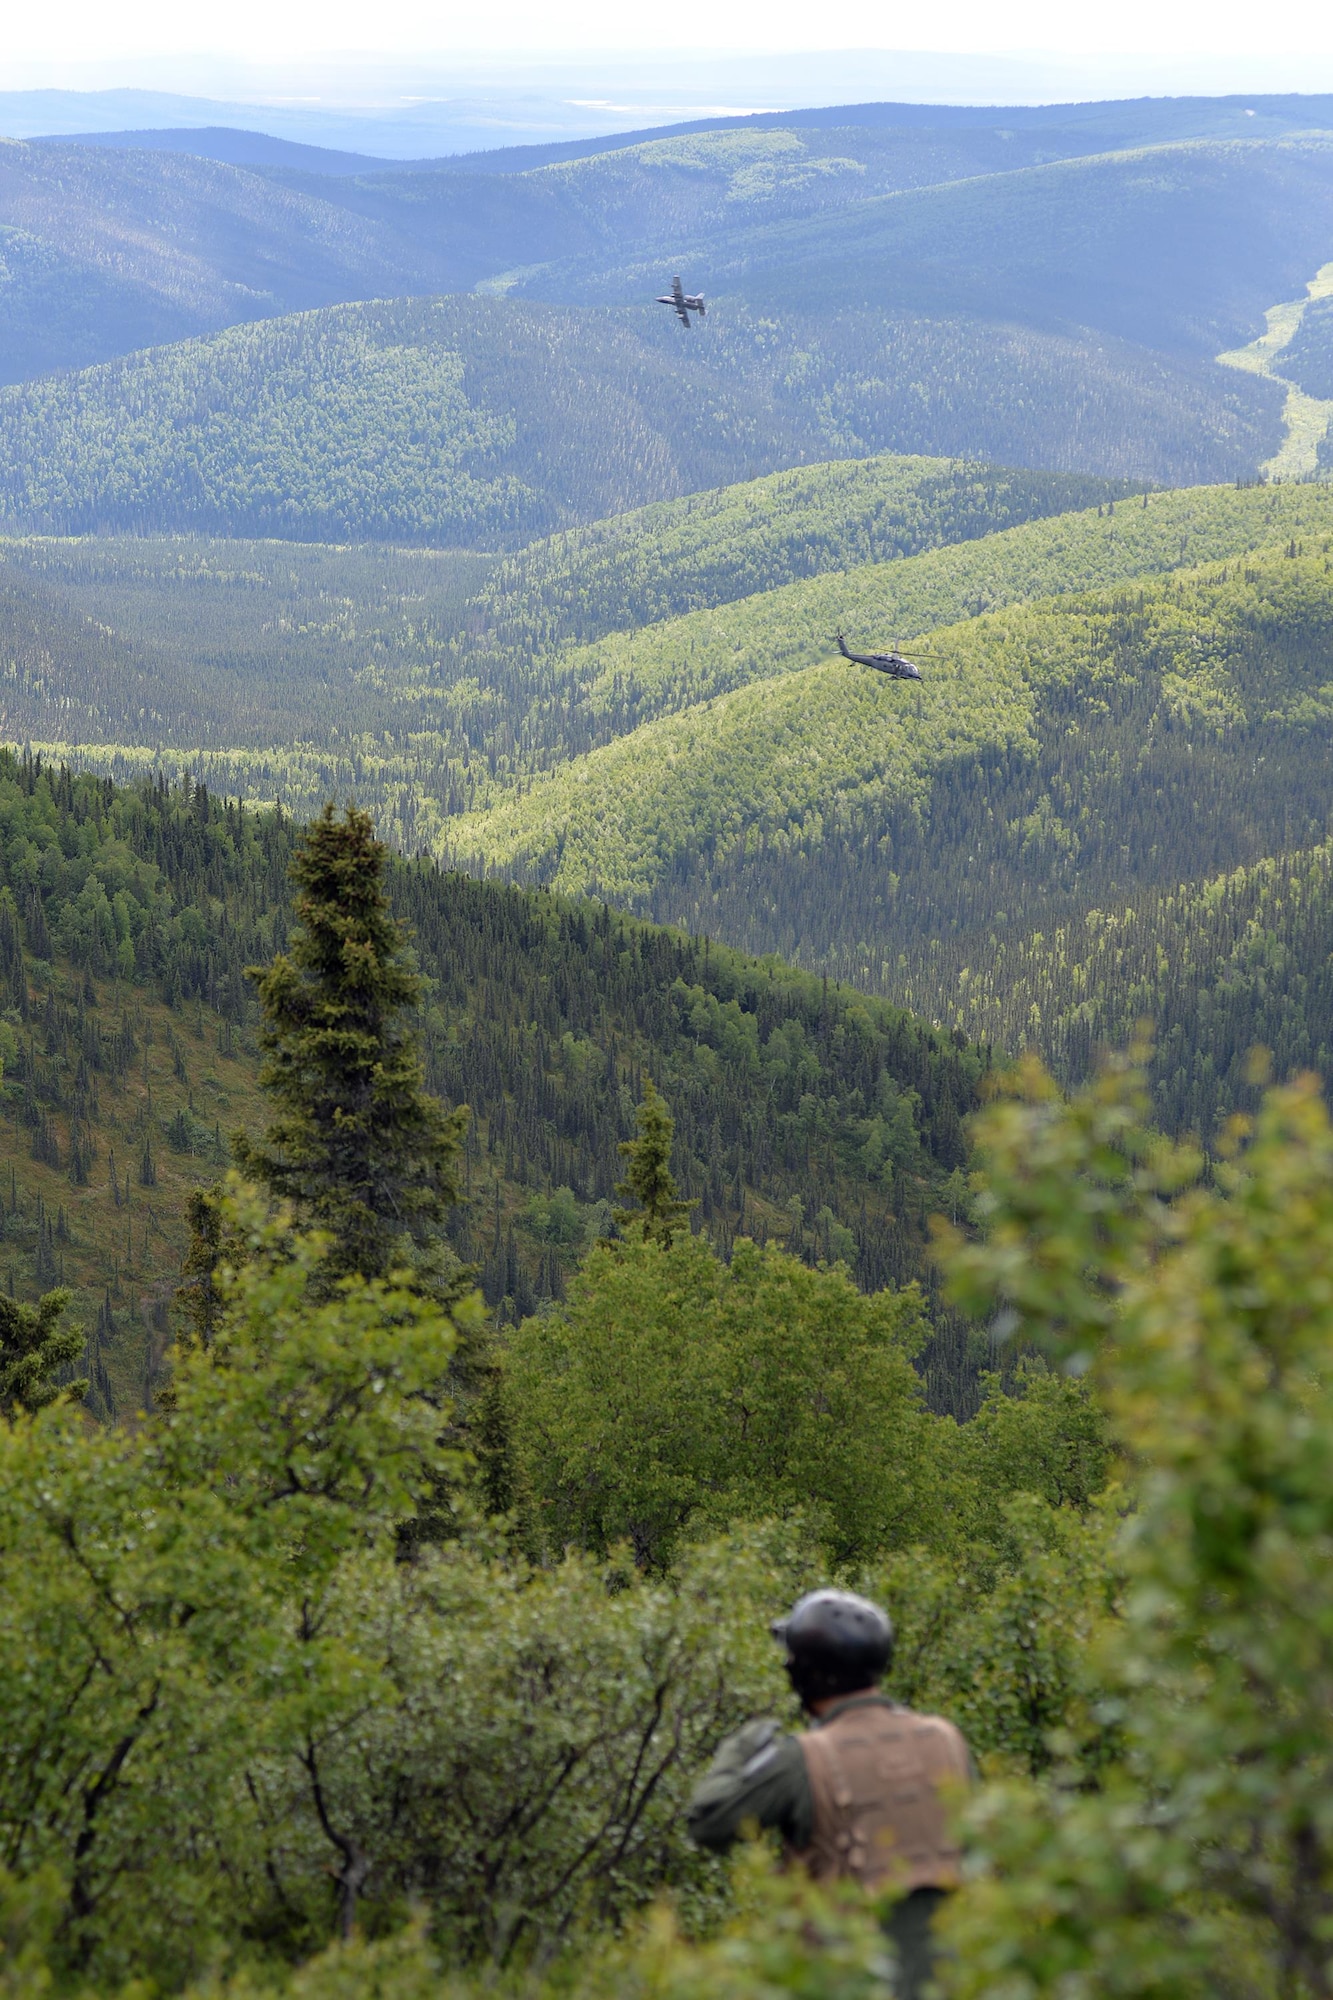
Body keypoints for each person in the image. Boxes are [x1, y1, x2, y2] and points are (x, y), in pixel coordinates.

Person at [688, 1589, 974, 1999]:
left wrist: (741, 1747)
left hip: (845, 1979)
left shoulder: (804, 1758)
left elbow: (708, 1824)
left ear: (804, 1673)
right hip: (955, 1976)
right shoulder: (945, 1739)